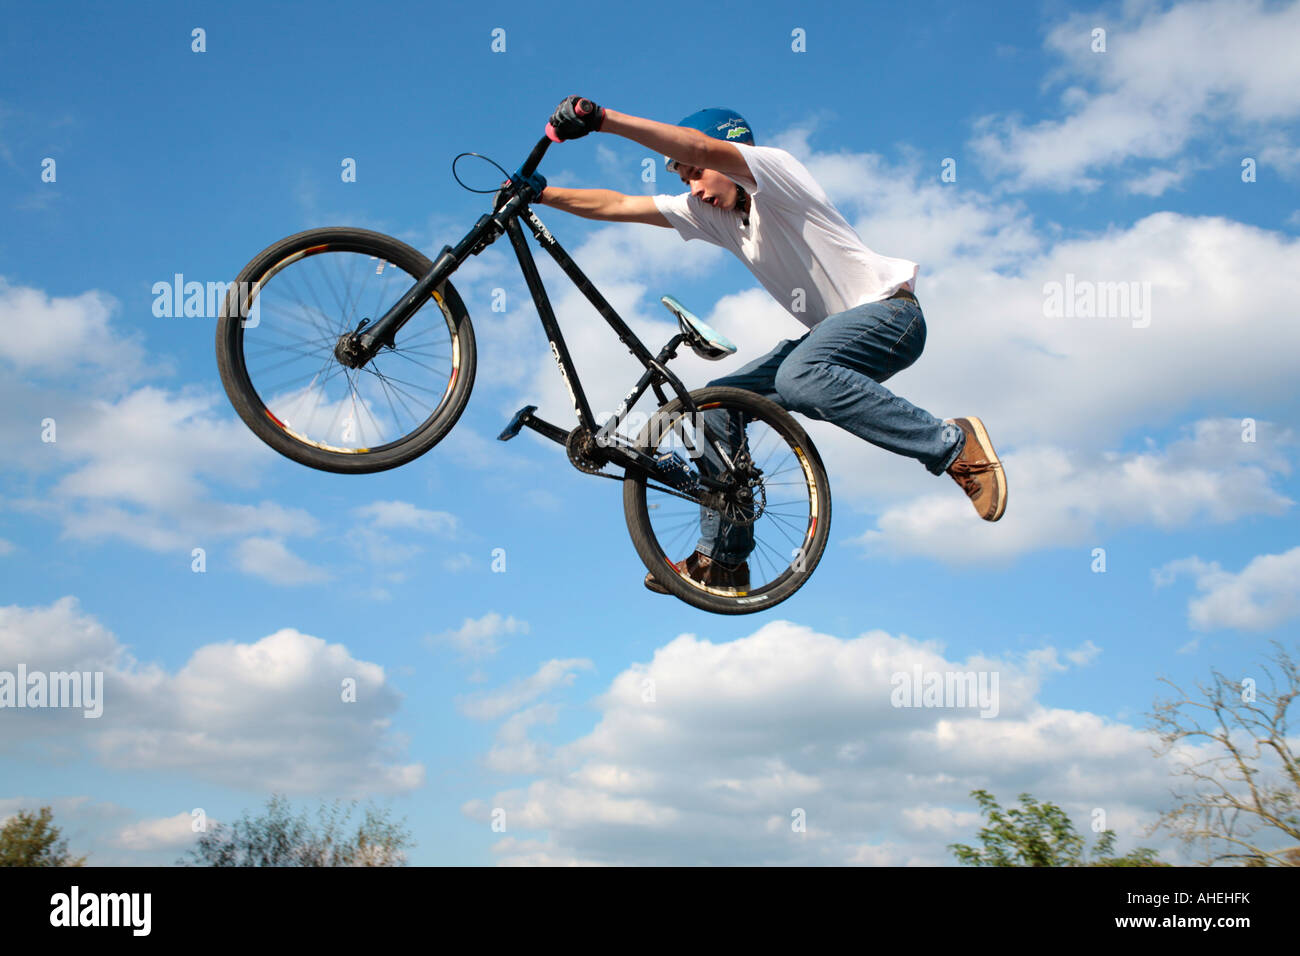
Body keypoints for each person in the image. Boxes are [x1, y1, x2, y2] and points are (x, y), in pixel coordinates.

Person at [539, 96, 1007, 594]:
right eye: (685, 181)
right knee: (711, 409)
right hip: (829, 343)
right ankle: (723, 559)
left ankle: (952, 444)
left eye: (697, 173)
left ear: (727, 154)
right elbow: (619, 205)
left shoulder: (775, 175)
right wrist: (541, 194)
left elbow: (699, 145)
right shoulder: (712, 215)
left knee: (798, 375)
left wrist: (603, 120)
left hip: (892, 317)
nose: (694, 188)